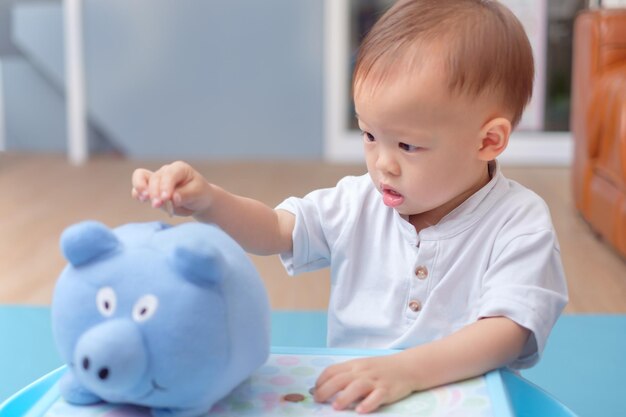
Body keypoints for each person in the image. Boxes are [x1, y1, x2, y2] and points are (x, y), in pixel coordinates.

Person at [131, 0, 568, 413]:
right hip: (355, 394)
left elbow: (509, 331)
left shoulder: (519, 223)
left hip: (467, 396)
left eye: (408, 145)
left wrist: (407, 370)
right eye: (369, 135)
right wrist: (210, 201)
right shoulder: (358, 200)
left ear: (488, 140)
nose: (382, 164)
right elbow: (276, 230)